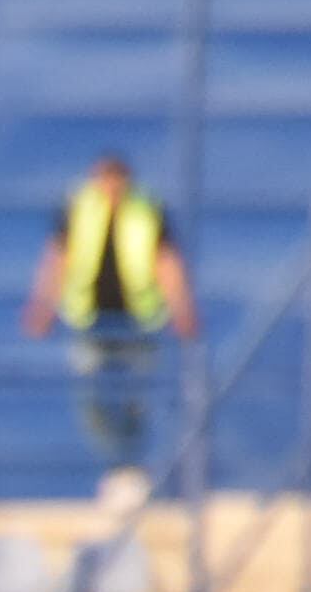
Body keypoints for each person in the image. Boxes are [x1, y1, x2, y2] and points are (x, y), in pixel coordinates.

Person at [22, 152, 200, 496]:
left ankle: (132, 469)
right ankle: (116, 466)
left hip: (139, 318)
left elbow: (166, 261)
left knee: (138, 395)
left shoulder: (146, 208)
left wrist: (182, 309)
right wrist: (42, 306)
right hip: (90, 318)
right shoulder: (78, 206)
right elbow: (58, 257)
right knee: (91, 394)